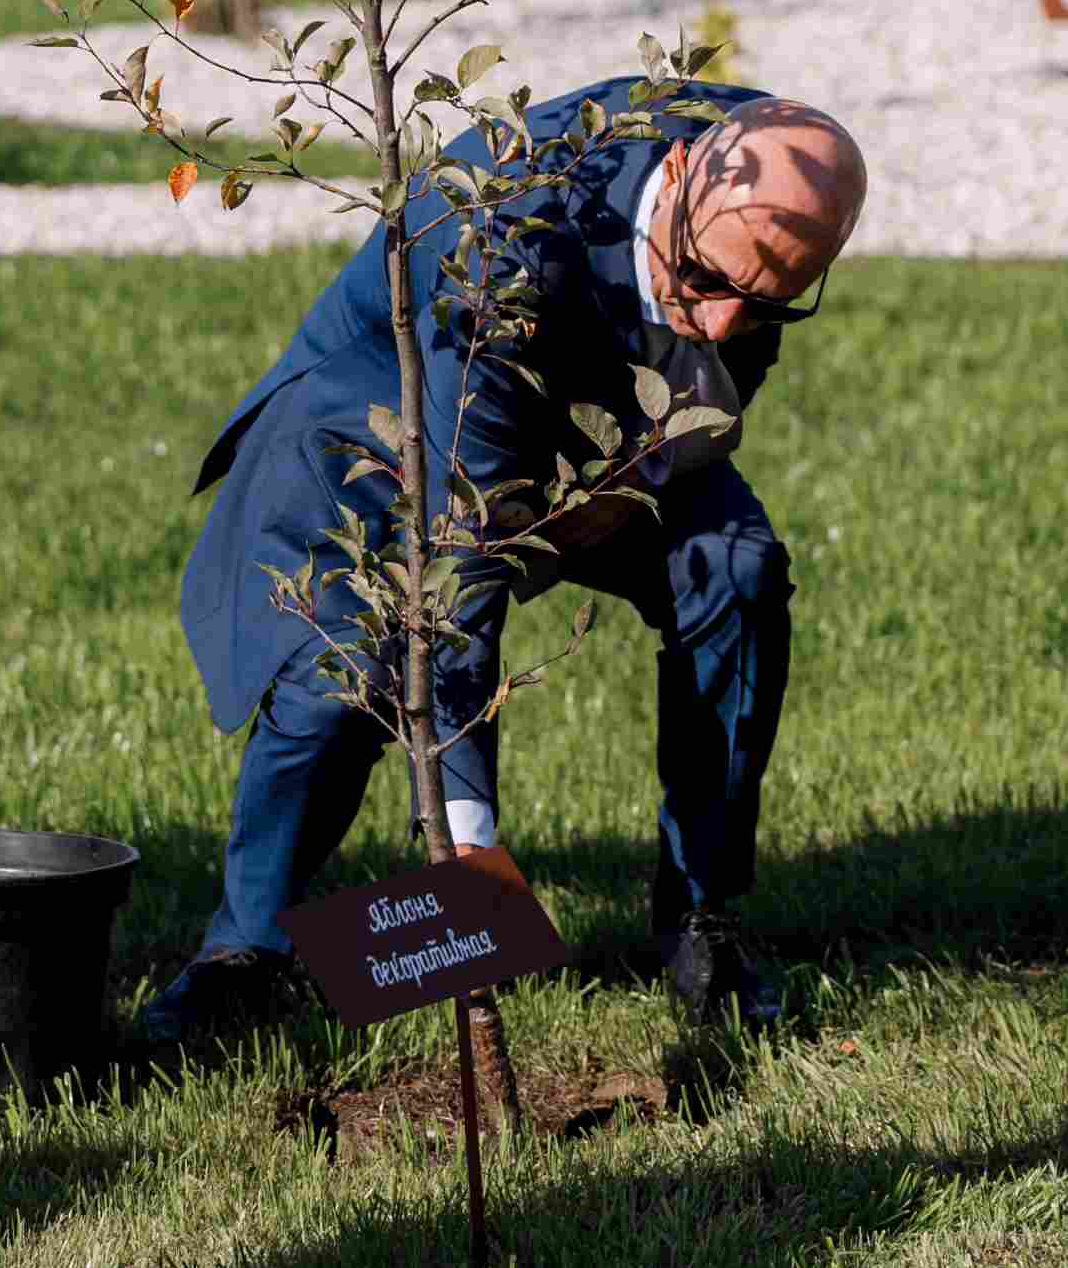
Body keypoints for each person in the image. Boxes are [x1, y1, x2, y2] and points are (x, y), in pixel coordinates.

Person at [146, 78, 868, 1050]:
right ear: (684, 180)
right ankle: (241, 956)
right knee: (344, 668)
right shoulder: (501, 236)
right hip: (389, 400)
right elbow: (463, 557)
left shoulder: (766, 171)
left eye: (767, 301)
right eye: (704, 282)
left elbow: (723, 368)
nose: (727, 323)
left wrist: (634, 478)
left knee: (732, 571)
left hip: (606, 412)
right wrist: (467, 846)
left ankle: (700, 917)